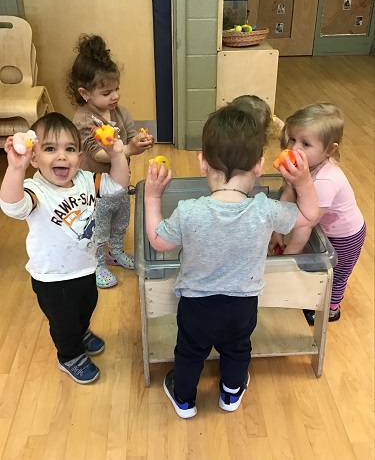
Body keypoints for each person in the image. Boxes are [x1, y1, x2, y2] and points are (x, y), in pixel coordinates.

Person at [144, 104, 319, 418]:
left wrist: (153, 198)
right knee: (238, 349)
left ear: (202, 162)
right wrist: (303, 182)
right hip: (242, 304)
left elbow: (157, 239)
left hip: (197, 306)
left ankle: (184, 400)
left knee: (189, 352)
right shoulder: (264, 209)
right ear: (258, 165)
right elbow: (309, 216)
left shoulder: (188, 211)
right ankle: (231, 393)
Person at [0, 112, 129, 384]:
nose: (62, 156)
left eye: (70, 149)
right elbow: (12, 206)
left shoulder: (85, 180)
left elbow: (117, 187)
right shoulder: (34, 189)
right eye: (50, 149)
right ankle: (69, 356)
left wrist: (117, 155)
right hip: (52, 278)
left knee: (86, 306)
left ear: (80, 157)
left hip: (84, 267)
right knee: (63, 321)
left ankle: (81, 332)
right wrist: (15, 169)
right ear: (33, 157)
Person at [67, 34, 154, 288]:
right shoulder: (84, 120)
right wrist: (126, 150)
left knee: (121, 220)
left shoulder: (120, 112)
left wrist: (140, 140)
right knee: (98, 227)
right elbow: (97, 153)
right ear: (85, 93)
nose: (115, 96)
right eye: (106, 92)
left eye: (116, 89)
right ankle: (97, 263)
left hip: (119, 181)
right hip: (95, 187)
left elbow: (129, 135)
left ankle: (115, 251)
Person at [269, 103, 366, 324]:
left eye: (305, 143)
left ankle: (331, 308)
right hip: (323, 226)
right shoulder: (302, 166)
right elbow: (289, 194)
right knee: (314, 265)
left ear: (330, 150)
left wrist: (287, 260)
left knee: (336, 273)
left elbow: (306, 225)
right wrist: (277, 232)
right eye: (292, 139)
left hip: (345, 236)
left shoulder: (325, 180)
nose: (294, 147)